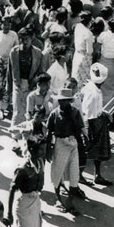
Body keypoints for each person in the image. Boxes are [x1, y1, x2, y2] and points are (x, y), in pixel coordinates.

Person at [46, 87, 86, 215]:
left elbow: (79, 130)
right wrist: (48, 150)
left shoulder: (75, 112)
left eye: (66, 101)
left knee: (74, 173)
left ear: (70, 101)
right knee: (58, 172)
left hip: (73, 143)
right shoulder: (54, 113)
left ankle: (70, 200)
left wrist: (81, 146)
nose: (63, 103)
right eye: (61, 101)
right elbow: (49, 133)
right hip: (60, 144)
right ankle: (58, 198)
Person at [81, 63, 113, 186]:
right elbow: (87, 113)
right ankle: (79, 175)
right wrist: (88, 131)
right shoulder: (93, 93)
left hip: (97, 121)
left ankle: (97, 175)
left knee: (98, 152)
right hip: (93, 124)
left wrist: (103, 112)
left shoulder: (91, 87)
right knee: (87, 151)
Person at [8, 26, 44, 128]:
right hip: (18, 83)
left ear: (32, 38)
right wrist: (8, 87)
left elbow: (40, 71)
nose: (24, 41)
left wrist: (37, 85)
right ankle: (15, 133)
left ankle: (26, 133)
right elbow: (10, 71)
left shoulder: (37, 52)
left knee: (28, 110)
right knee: (17, 110)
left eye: (27, 39)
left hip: (31, 84)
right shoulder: (14, 51)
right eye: (22, 39)